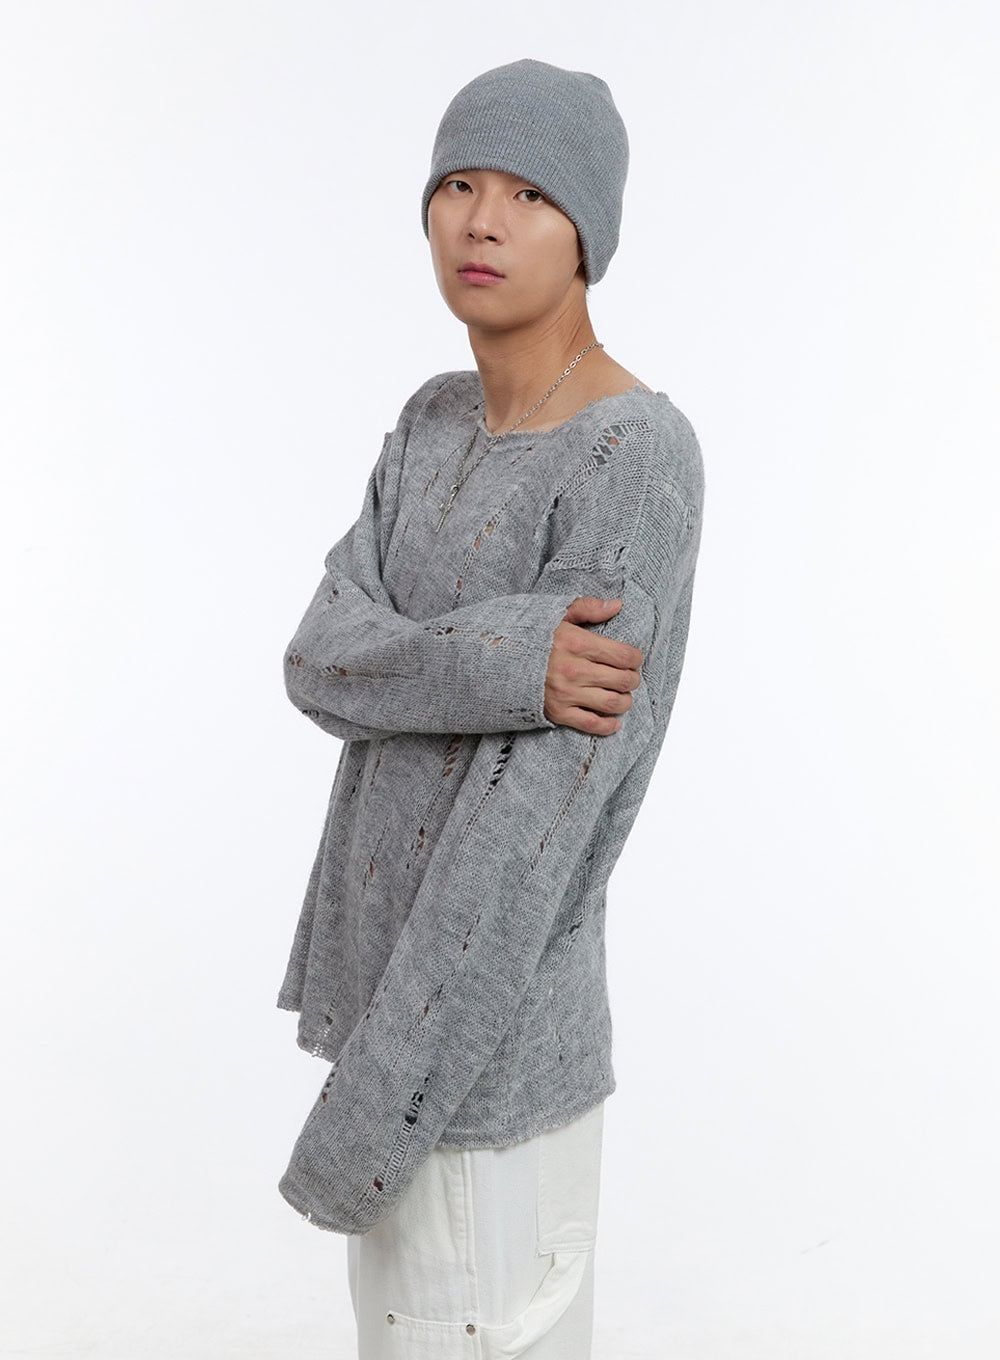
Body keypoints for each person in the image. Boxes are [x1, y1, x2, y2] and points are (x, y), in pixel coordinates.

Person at [275, 58, 705, 1358]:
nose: (482, 221)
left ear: (589, 234)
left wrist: (375, 1110)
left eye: (530, 193)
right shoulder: (432, 421)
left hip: (481, 1069)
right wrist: (513, 659)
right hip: (391, 1034)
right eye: (458, 184)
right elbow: (319, 655)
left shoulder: (635, 453)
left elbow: (533, 835)